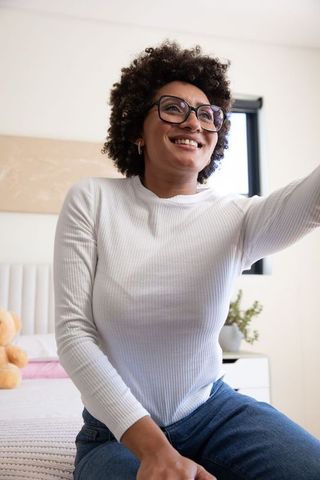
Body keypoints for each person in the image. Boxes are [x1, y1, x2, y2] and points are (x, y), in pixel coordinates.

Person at [54, 41, 320, 480]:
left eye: (208, 113)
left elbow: (310, 204)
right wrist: (155, 450)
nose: (194, 121)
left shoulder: (235, 216)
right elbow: (73, 334)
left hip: (214, 412)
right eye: (173, 108)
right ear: (136, 129)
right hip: (117, 432)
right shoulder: (93, 200)